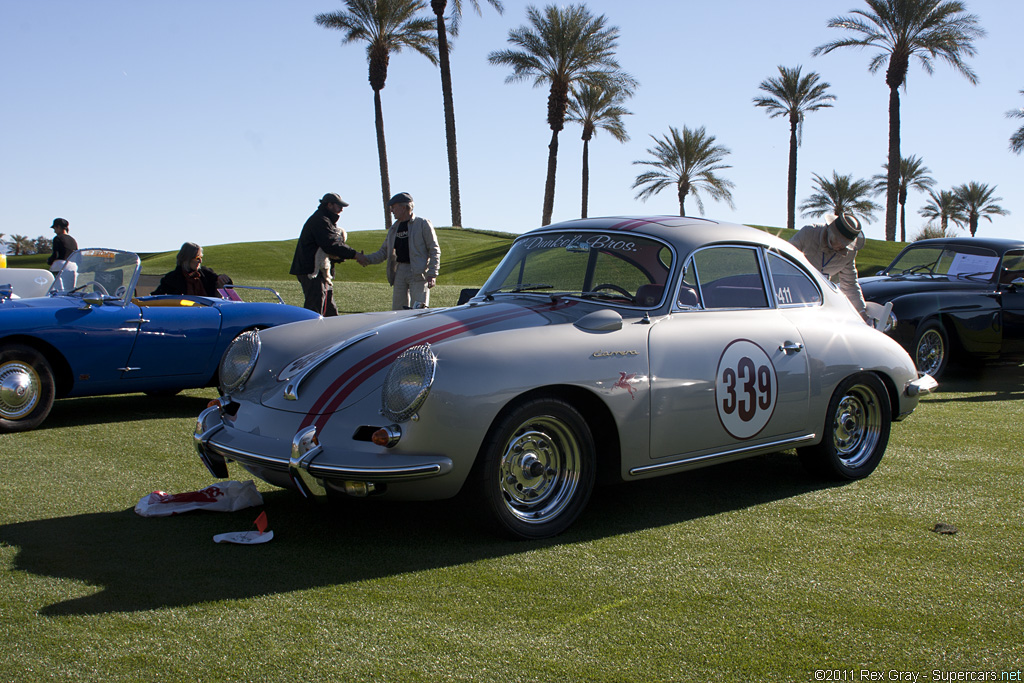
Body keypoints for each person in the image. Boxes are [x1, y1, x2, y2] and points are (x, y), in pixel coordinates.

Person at [356, 192, 440, 310]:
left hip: (419, 271)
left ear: (404, 207)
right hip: (400, 270)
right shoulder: (394, 228)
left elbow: (434, 250)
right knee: (398, 310)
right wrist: (367, 259)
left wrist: (432, 273)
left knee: (419, 310)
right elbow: (384, 252)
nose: (391, 211)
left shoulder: (423, 224)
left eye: (394, 207)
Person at [290, 192, 359, 316]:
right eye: (339, 206)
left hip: (319, 271)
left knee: (329, 307)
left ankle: (334, 332)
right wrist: (355, 255)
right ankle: (312, 332)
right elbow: (330, 245)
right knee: (315, 307)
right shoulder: (321, 220)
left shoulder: (324, 219)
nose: (341, 209)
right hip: (311, 272)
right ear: (329, 205)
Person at [789, 213, 867, 319]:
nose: (840, 245)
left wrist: (861, 312)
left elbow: (850, 285)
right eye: (838, 239)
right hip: (792, 293)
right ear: (831, 229)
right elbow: (784, 258)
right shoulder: (809, 233)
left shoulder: (849, 254)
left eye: (845, 243)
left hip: (820, 302)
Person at [153, 242, 232, 297]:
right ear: (187, 259)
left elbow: (228, 285)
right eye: (197, 258)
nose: (200, 261)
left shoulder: (205, 273)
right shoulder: (172, 278)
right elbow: (157, 296)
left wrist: (222, 278)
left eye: (201, 257)